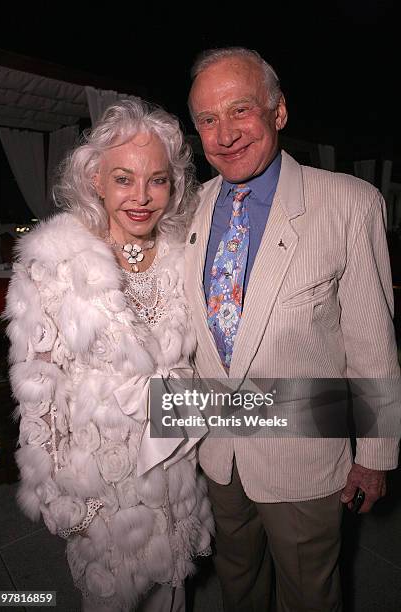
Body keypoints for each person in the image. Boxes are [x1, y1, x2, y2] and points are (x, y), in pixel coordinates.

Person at [185, 47, 400, 611]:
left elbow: (373, 342)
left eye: (240, 111)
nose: (224, 133)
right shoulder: (190, 208)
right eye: (207, 120)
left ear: (278, 113)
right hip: (218, 454)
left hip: (304, 456)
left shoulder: (349, 204)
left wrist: (375, 455)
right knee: (239, 586)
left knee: (310, 596)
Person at [4, 98, 213, 612]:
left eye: (157, 180)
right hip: (101, 485)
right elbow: (37, 389)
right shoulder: (53, 265)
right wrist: (57, 497)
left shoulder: (186, 254)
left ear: (174, 184)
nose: (141, 197)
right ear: (96, 179)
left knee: (173, 597)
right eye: (124, 179)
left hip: (175, 473)